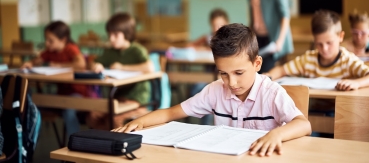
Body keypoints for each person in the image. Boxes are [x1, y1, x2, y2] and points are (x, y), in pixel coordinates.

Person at [114, 23, 311, 157]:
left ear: (257, 63)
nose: (231, 82)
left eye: (239, 72)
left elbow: (303, 125)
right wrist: (138, 122)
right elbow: (171, 112)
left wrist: (276, 134)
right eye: (223, 73)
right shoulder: (215, 91)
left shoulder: (271, 93)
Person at [266, 10, 369, 91]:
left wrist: (357, 83)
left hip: (341, 110)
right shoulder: (309, 59)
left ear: (340, 37)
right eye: (319, 44)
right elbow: (281, 70)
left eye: (329, 43)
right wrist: (266, 77)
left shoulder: (347, 60)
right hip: (312, 110)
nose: (324, 49)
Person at [87, 12, 154, 129]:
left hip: (137, 100)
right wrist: (95, 65)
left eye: (116, 35)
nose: (111, 39)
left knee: (116, 119)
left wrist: (122, 67)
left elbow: (149, 68)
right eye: (109, 35)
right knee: (93, 116)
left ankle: (118, 144)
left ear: (127, 34)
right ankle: (103, 143)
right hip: (117, 99)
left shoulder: (137, 50)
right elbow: (92, 62)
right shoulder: (110, 52)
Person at [22, 20, 87, 138]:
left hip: (77, 94)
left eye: (50, 40)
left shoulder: (70, 48)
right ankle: (27, 142)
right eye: (46, 39)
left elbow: (81, 64)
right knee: (30, 105)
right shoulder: (50, 51)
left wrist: (58, 65)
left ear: (63, 40)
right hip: (60, 95)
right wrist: (30, 63)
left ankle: (78, 143)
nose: (47, 43)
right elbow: (37, 59)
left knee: (68, 111)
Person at [234, 0, 293, 73]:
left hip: (273, 39)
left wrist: (279, 41)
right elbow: (253, 12)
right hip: (258, 37)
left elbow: (285, 14)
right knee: (250, 71)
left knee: (265, 74)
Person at [187, 8, 229, 125]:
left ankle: (206, 123)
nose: (217, 28)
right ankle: (200, 122)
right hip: (207, 76)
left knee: (213, 93)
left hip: (221, 77)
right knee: (196, 89)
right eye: (214, 25)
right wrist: (203, 48)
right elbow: (190, 45)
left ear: (227, 23)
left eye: (220, 24)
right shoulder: (209, 37)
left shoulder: (230, 39)